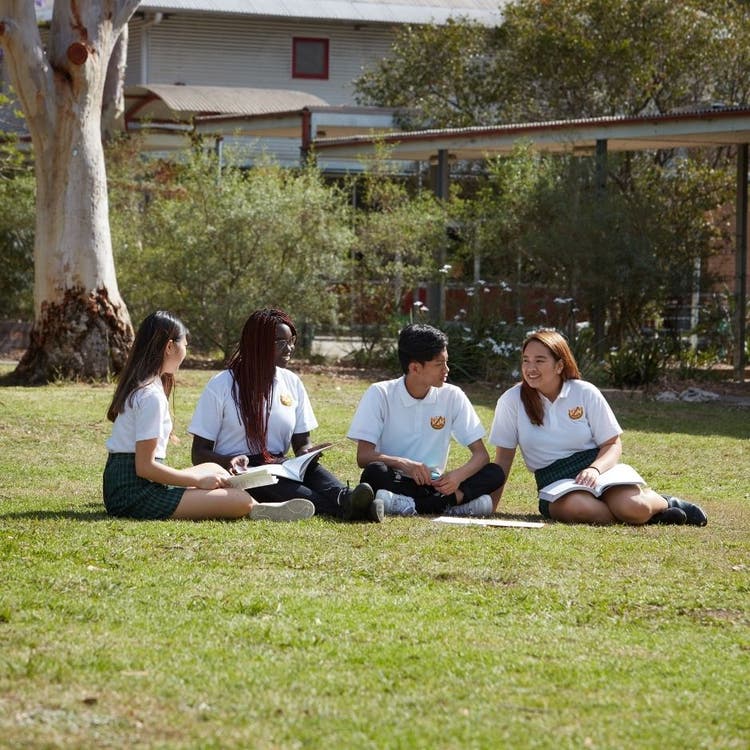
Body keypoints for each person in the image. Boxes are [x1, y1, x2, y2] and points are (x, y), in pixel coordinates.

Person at [103, 311, 314, 522]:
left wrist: (202, 477)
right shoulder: (151, 396)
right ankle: (256, 507)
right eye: (185, 345)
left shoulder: (149, 386)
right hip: (133, 495)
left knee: (215, 468)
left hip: (131, 486)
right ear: (169, 347)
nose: (186, 351)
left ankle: (258, 506)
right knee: (239, 500)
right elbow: (145, 467)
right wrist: (196, 480)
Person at [488, 328, 708, 526]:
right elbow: (504, 459)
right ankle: (644, 519)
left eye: (539, 361)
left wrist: (595, 469)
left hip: (598, 469)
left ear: (559, 365)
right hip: (554, 481)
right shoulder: (511, 400)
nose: (530, 368)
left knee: (634, 507)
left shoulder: (585, 392)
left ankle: (663, 504)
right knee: (582, 509)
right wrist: (491, 509)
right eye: (526, 360)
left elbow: (612, 443)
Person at [189, 308, 382, 522]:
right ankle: (355, 507)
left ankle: (346, 499)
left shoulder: (292, 382)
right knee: (297, 492)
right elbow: (199, 453)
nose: (289, 348)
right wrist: (230, 461)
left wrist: (308, 453)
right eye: (280, 342)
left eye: (292, 341)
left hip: (279, 463)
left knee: (312, 470)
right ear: (256, 343)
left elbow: (301, 443)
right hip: (243, 473)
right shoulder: (222, 385)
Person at [347, 323, 505, 516]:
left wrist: (456, 477)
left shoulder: (452, 395)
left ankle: (409, 505)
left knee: (494, 472)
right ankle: (452, 505)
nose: (446, 369)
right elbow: (363, 456)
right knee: (374, 472)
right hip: (398, 480)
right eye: (439, 364)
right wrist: (404, 464)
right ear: (415, 367)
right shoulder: (380, 393)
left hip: (437, 485)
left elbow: (481, 455)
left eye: (446, 362)